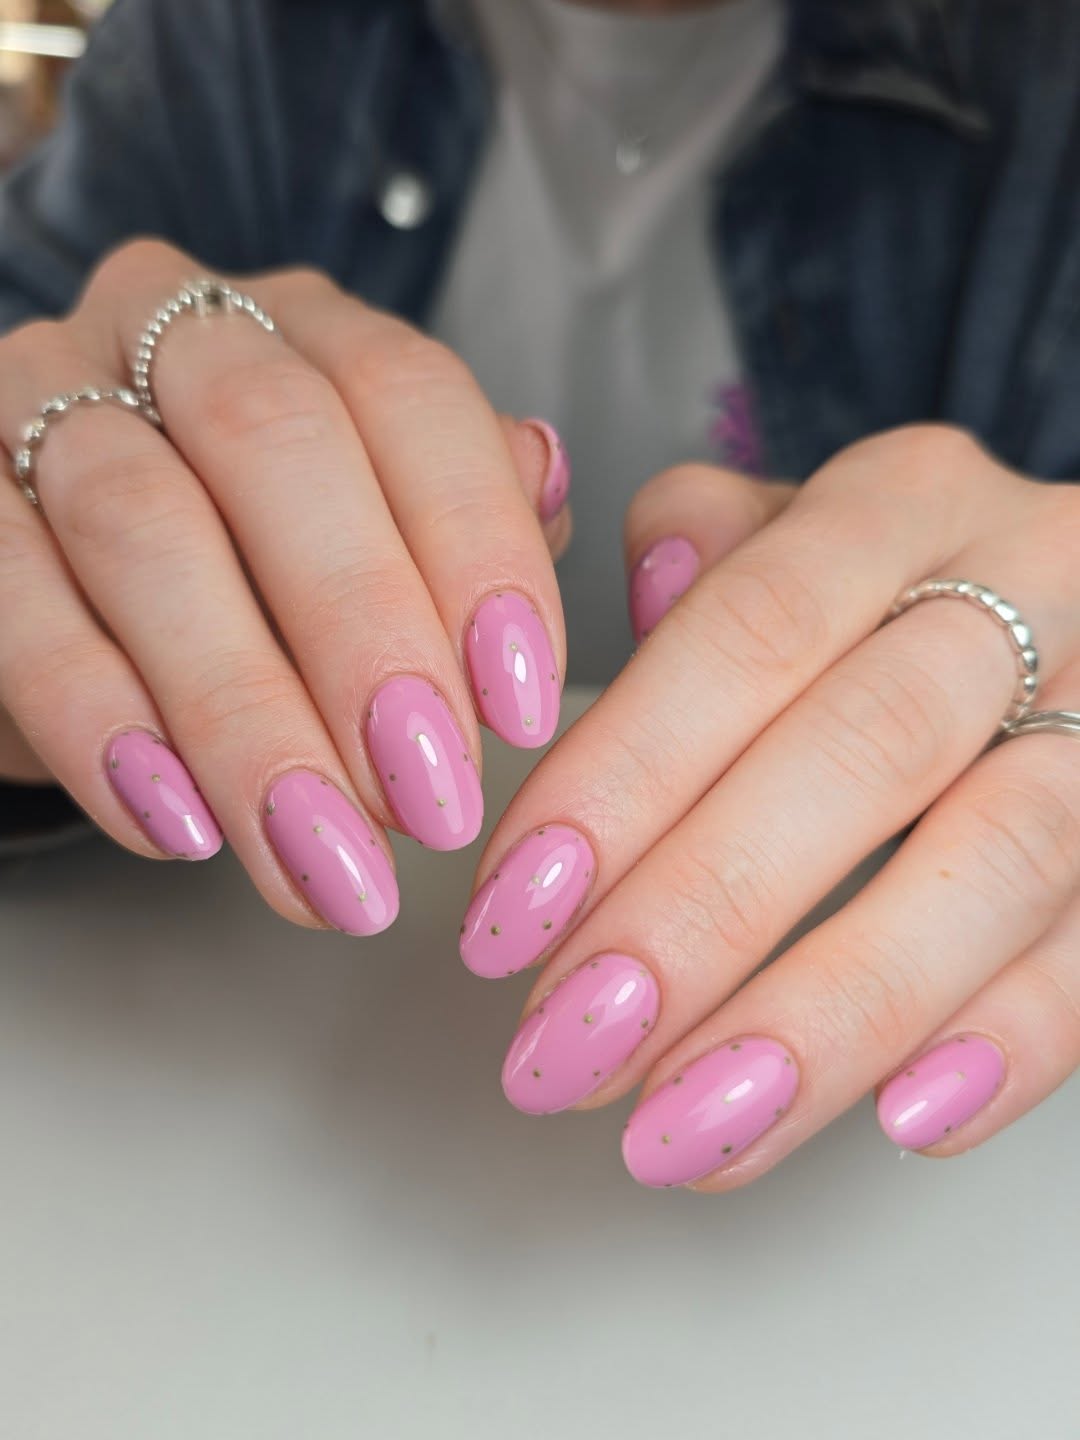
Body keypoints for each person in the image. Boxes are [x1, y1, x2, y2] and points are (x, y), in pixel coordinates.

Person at [0, 0, 1078, 1190]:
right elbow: (33, 351)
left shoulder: (1042, 73)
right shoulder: (232, 39)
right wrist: (56, 580)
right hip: (201, 1118)